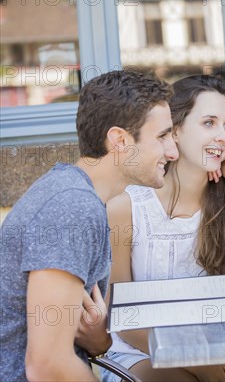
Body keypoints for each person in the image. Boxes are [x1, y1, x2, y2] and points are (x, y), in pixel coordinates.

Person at [0, 69, 178, 381]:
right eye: (162, 136)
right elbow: (46, 365)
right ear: (120, 140)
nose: (173, 151)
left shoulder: (75, 193)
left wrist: (101, 340)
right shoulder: (73, 207)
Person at [104, 75, 225, 382]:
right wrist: (195, 363)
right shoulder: (126, 208)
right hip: (141, 348)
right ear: (176, 131)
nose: (222, 135)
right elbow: (122, 317)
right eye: (209, 122)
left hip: (214, 341)